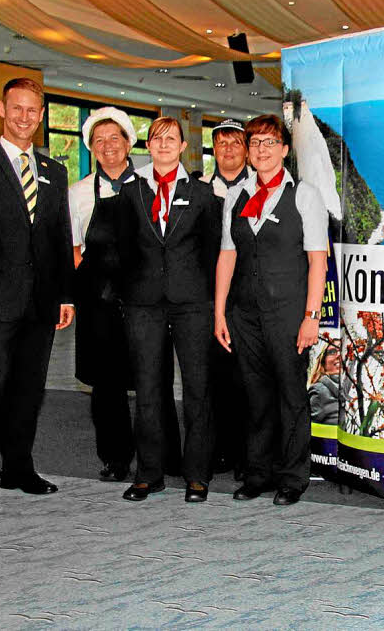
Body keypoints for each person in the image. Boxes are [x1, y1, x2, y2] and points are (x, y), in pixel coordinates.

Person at [0, 77, 75, 512]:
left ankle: (19, 468)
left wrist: (65, 295)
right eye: (17, 108)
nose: (25, 117)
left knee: (30, 389)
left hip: (41, 303)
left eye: (33, 111)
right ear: (2, 109)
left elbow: (60, 237)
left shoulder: (54, 172)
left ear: (41, 117)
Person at [215, 114, 328, 506]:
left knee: (291, 396)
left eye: (269, 142)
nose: (262, 150)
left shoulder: (304, 196)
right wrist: (219, 314)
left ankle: (293, 477)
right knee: (255, 395)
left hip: (288, 313)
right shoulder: (236, 196)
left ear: (284, 150)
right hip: (244, 314)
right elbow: (227, 258)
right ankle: (257, 472)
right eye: (255, 143)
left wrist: (311, 317)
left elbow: (318, 262)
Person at [69, 107, 181, 483]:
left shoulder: (152, 184)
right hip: (98, 300)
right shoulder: (79, 193)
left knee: (156, 377)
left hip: (147, 297)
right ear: (91, 148)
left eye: (114, 138)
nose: (107, 146)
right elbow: (73, 248)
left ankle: (164, 455)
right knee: (107, 385)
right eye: (98, 141)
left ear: (129, 142)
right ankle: (115, 458)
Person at [116, 116, 220, 503]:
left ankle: (197, 475)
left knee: (197, 390)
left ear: (182, 147)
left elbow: (211, 253)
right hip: (143, 305)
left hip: (193, 304)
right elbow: (122, 249)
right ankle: (149, 474)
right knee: (147, 390)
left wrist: (209, 301)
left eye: (170, 139)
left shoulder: (204, 194)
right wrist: (127, 295)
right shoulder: (131, 192)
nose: (163, 145)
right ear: (148, 146)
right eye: (156, 139)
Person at [200, 119, 250, 476]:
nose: (228, 150)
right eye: (221, 144)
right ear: (213, 150)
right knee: (213, 377)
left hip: (249, 297)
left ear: (246, 150)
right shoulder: (200, 190)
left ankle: (249, 453)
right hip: (208, 298)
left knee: (249, 377)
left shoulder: (261, 189)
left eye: (235, 143)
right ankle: (218, 449)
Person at [308, 343, 341, 426]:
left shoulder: (354, 391)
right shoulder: (319, 391)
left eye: (344, 350)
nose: (339, 355)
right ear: (323, 363)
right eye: (332, 352)